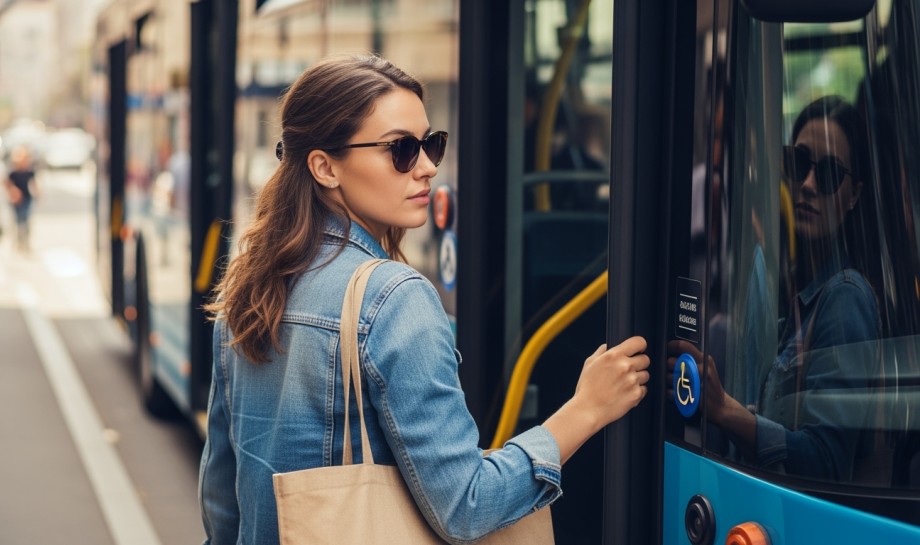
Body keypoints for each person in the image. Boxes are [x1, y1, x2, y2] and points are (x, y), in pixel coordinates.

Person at [199, 55, 651, 545]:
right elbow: (465, 506)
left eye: (432, 144)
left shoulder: (251, 287)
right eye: (402, 150)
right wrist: (586, 409)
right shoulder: (394, 298)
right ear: (325, 167)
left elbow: (224, 503)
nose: (429, 167)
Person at [669, 95, 881, 483]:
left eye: (830, 173)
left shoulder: (845, 297)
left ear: (854, 196)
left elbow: (827, 463)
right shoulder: (788, 290)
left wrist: (725, 410)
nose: (809, 185)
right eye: (799, 164)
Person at [6, 146, 38, 253]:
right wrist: (13, 192)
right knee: (18, 221)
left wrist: (37, 193)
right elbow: (8, 184)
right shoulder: (13, 173)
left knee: (26, 220)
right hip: (16, 200)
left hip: (27, 198)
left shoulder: (29, 172)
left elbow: (33, 184)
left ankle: (26, 242)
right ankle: (18, 242)